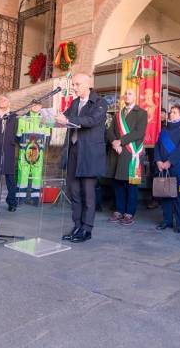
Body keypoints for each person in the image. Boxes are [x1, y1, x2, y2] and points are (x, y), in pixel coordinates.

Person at [56, 73, 108, 243]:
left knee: (88, 194)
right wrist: (54, 118)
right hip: (73, 152)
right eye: (73, 84)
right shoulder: (75, 103)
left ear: (87, 84)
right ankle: (77, 225)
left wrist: (67, 119)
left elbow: (91, 120)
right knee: (75, 192)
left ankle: (87, 229)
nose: (74, 87)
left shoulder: (100, 102)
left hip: (89, 155)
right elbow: (64, 117)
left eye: (77, 84)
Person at [106, 88, 147, 226]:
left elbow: (139, 133)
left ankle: (129, 213)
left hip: (131, 153)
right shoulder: (118, 114)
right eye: (126, 94)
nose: (127, 96)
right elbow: (109, 131)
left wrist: (121, 142)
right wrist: (113, 142)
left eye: (130, 94)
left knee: (131, 185)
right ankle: (119, 210)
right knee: (117, 184)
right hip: (116, 153)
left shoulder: (141, 113)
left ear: (135, 97)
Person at [154, 104, 180, 232]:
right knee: (165, 195)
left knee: (178, 197)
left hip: (178, 166)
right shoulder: (164, 129)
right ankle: (167, 221)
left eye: (175, 112)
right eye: (171, 112)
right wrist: (158, 161)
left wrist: (169, 162)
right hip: (163, 166)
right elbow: (157, 146)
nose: (171, 114)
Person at [16, 101, 51, 206]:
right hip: (24, 150)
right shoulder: (23, 118)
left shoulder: (45, 119)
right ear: (30, 106)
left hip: (38, 151)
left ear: (41, 106)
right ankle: (20, 198)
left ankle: (35, 199)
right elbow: (18, 135)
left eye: (38, 105)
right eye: (34, 105)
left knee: (37, 174)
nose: (36, 107)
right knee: (23, 173)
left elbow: (48, 135)